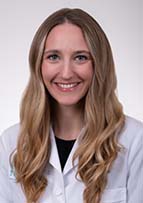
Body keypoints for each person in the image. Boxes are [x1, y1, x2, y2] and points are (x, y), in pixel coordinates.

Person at [0, 8, 142, 203]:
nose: (66, 73)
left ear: (98, 64)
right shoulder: (11, 143)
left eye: (80, 57)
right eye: (53, 57)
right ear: (38, 65)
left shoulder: (135, 141)